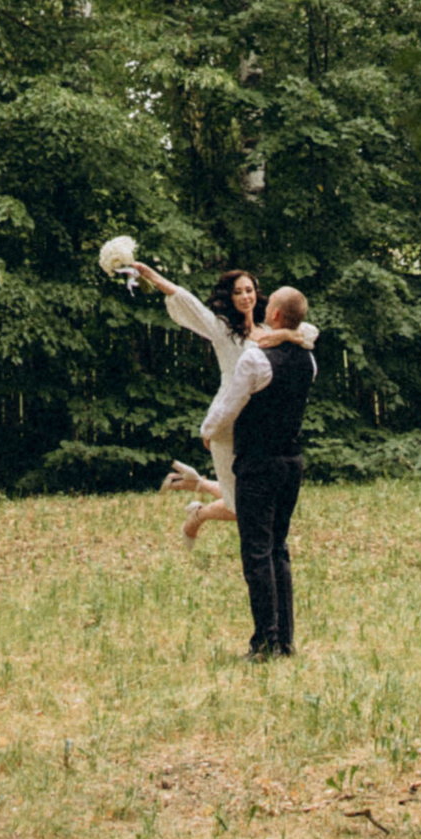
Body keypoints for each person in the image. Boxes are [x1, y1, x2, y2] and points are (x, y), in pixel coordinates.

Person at [127, 259, 312, 547]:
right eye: (238, 292)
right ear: (229, 297)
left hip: (261, 424)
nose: (245, 296)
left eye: (249, 290)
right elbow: (186, 301)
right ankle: (197, 515)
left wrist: (287, 333)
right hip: (227, 420)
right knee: (241, 506)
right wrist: (150, 274)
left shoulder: (269, 328)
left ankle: (195, 485)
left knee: (257, 497)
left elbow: (310, 332)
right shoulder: (222, 329)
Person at [203, 286, 313, 658]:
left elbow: (228, 408)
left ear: (276, 315)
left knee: (257, 552)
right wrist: (288, 336)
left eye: (270, 306)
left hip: (259, 463)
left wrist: (208, 432)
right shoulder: (308, 360)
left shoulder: (255, 360)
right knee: (278, 548)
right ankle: (285, 640)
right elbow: (306, 333)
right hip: (291, 462)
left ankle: (264, 642)